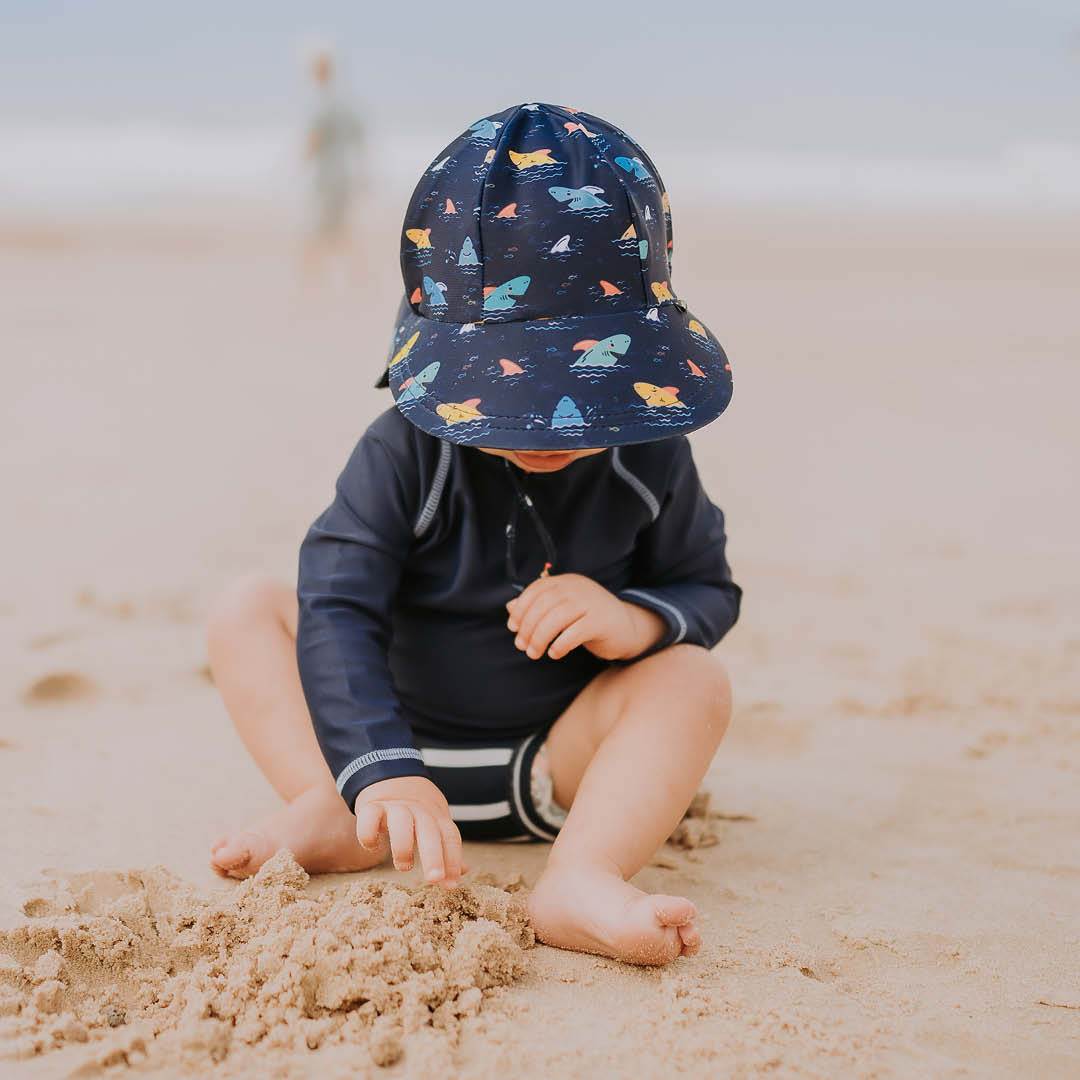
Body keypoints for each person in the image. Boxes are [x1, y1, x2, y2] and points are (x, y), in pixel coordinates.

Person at [208, 104, 740, 966]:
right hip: (381, 760)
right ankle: (332, 806)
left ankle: (582, 873)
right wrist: (377, 763)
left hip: (551, 760)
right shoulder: (402, 453)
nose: (541, 422)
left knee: (694, 679)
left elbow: (709, 589)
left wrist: (632, 618)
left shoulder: (652, 455)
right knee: (249, 609)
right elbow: (338, 606)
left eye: (572, 389)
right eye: (510, 392)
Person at [302, 44, 362, 255]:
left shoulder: (324, 102)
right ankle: (359, 275)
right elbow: (358, 136)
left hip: (328, 177)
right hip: (342, 174)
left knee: (323, 229)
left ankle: (309, 279)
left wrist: (297, 165)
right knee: (337, 230)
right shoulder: (341, 102)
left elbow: (314, 140)